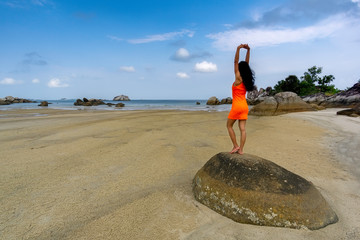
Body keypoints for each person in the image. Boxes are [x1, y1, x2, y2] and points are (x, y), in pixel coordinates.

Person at [227, 43, 255, 154]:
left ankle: (235, 146)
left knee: (229, 126)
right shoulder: (246, 79)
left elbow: (235, 62)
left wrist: (238, 49)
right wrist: (248, 50)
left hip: (237, 106)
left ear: (239, 68)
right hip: (244, 106)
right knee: (242, 129)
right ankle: (241, 150)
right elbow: (247, 63)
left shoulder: (238, 77)